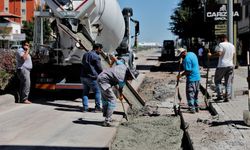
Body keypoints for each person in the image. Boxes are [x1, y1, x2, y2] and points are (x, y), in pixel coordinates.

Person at [208, 34, 235, 102]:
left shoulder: (221, 44)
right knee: (228, 82)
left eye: (219, 39)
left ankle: (219, 96)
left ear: (222, 38)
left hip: (222, 66)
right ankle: (227, 97)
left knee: (217, 81)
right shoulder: (232, 45)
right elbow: (234, 55)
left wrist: (211, 56)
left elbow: (219, 53)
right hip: (230, 65)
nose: (219, 40)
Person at [80, 43, 103, 112]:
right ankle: (97, 108)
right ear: (98, 48)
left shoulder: (85, 54)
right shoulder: (96, 56)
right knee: (97, 92)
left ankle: (85, 108)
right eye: (100, 50)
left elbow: (82, 63)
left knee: (85, 92)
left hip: (83, 76)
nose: (101, 51)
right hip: (92, 77)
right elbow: (99, 68)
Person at [177, 47, 201, 113]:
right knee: (195, 93)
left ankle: (191, 108)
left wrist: (180, 75)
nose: (181, 57)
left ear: (183, 53)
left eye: (181, 55)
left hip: (191, 79)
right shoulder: (192, 54)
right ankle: (196, 107)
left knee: (190, 93)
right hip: (197, 77)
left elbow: (188, 71)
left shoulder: (186, 59)